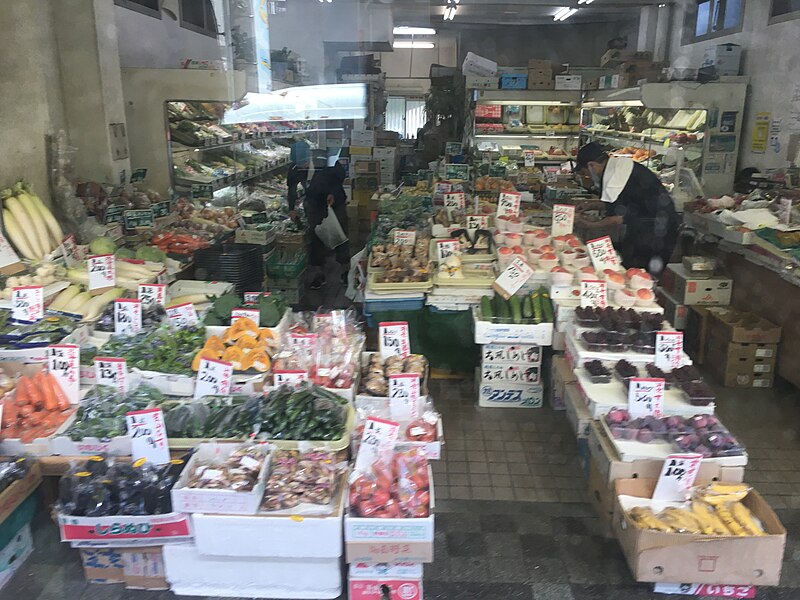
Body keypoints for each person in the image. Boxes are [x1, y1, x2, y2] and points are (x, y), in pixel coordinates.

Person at [574, 141, 679, 273]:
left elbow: (616, 218)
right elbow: (622, 202)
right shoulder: (617, 168)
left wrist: (589, 225)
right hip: (651, 223)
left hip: (656, 232)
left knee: (640, 275)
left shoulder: (614, 177)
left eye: (585, 172)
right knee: (631, 269)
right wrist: (590, 205)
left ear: (592, 165)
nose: (588, 176)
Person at [287, 144, 350, 290]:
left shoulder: (324, 160)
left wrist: (332, 193)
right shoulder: (294, 169)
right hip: (314, 204)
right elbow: (291, 188)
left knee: (339, 235)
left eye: (304, 163)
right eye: (299, 164)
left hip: (335, 203)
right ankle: (318, 274)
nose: (303, 166)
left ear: (309, 156)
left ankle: (345, 270)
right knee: (315, 238)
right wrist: (292, 208)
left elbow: (340, 175)